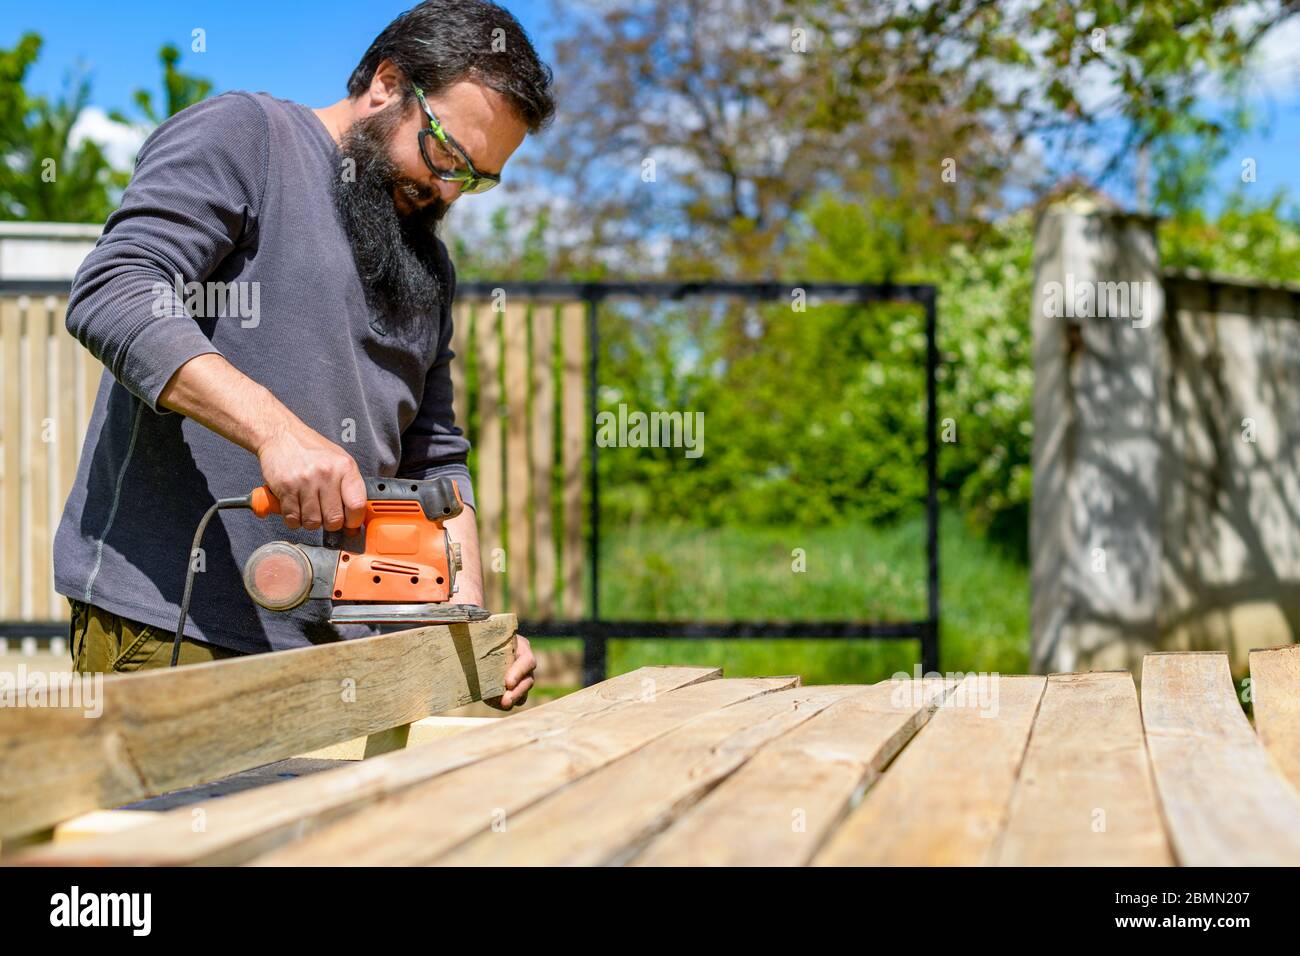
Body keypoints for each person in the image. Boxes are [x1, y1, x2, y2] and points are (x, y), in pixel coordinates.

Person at [55, 0, 552, 708]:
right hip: (177, 628)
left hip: (349, 657)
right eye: (445, 152)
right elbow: (117, 289)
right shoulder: (249, 138)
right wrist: (275, 431)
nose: (447, 189)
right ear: (386, 82)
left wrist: (464, 618)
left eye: (477, 177)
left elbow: (433, 459)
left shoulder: (426, 263)